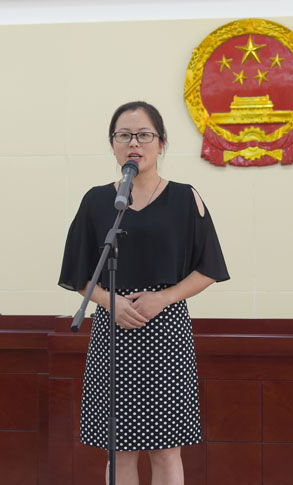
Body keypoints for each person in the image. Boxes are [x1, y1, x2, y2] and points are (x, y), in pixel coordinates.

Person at [58, 101, 229, 485]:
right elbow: (78, 273)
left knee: (167, 451)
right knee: (119, 451)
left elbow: (209, 269)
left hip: (166, 333)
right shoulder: (96, 201)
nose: (133, 143)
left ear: (161, 143)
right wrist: (111, 302)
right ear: (113, 144)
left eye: (144, 135)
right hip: (114, 332)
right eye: (124, 135)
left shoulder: (185, 198)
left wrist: (164, 297)